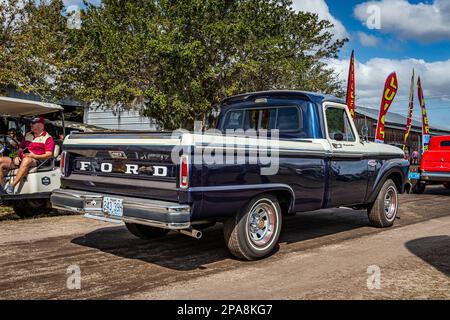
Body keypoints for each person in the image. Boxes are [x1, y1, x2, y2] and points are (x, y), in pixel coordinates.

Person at [0, 116, 54, 194]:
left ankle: (12, 186)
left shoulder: (48, 138)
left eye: (33, 123)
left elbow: (49, 154)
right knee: (1, 159)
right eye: (31, 123)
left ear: (41, 125)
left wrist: (34, 156)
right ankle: (2, 188)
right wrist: (15, 156)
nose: (31, 125)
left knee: (27, 159)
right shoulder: (28, 135)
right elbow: (20, 149)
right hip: (22, 158)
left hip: (37, 160)